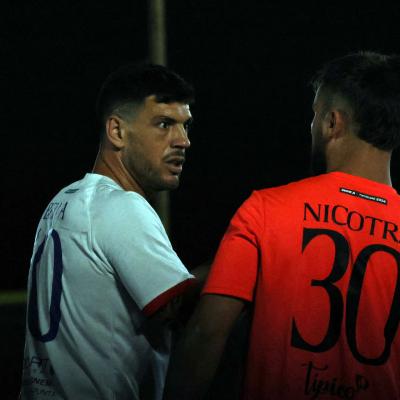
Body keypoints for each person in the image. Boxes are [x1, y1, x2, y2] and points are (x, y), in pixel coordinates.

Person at [163, 51, 400, 400]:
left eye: (315, 115)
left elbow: (206, 334)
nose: (311, 127)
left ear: (332, 123)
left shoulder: (266, 210)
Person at [20, 63, 205, 400]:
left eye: (185, 125)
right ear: (117, 131)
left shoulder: (63, 201)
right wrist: (246, 256)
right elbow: (174, 307)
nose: (183, 140)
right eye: (164, 124)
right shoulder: (121, 206)